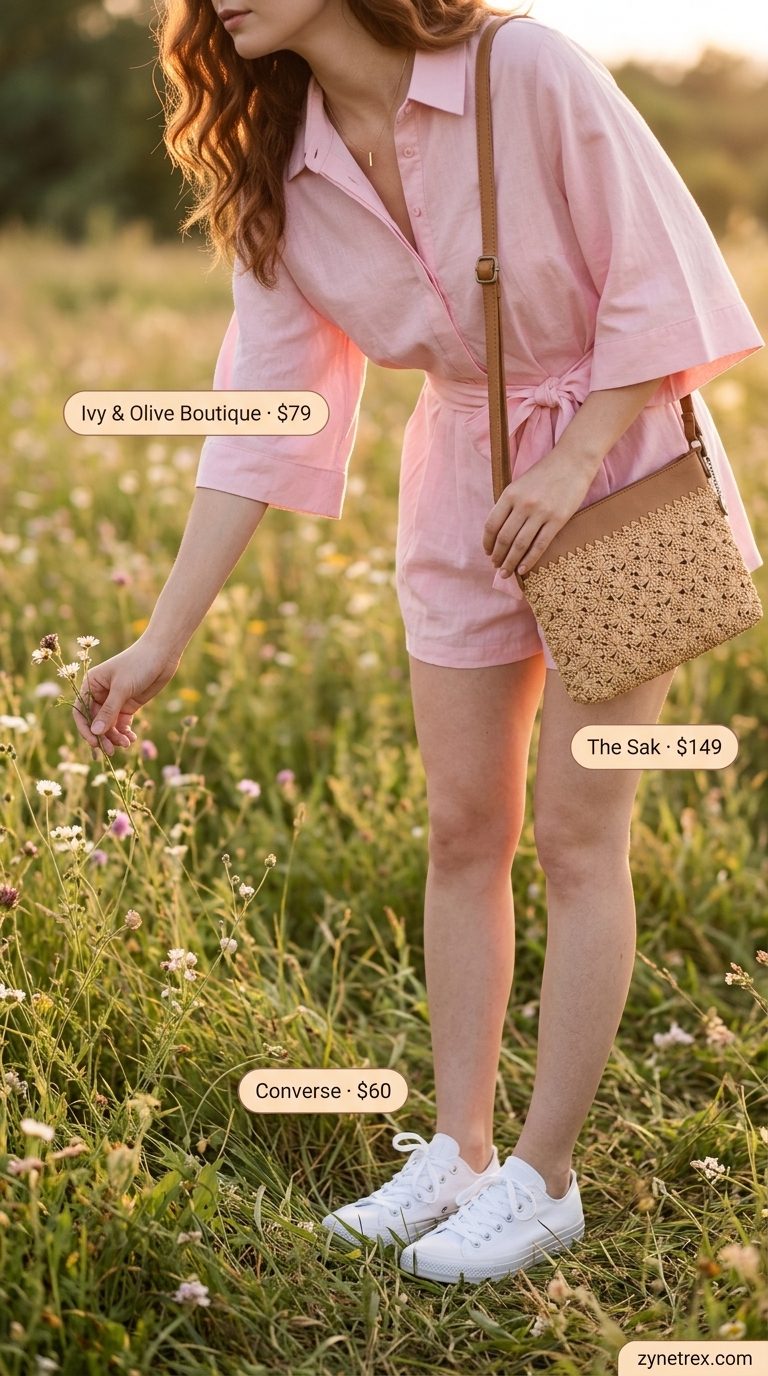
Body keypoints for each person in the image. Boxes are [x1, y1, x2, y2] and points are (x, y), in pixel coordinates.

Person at [74, 0, 762, 1285]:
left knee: (576, 828)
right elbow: (263, 409)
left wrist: (565, 465)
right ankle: (457, 1147)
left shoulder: (522, 65)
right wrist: (164, 634)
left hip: (620, 474)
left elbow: (660, 279)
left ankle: (542, 1179)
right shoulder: (278, 160)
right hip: (461, 484)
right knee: (461, 825)